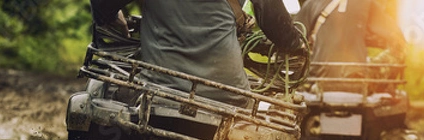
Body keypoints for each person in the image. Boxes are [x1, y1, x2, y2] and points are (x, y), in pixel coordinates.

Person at [90, 0, 304, 106]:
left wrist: (112, 16)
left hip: (158, 91)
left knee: (97, 92)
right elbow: (277, 26)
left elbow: (102, 6)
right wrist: (296, 44)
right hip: (229, 95)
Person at [294, 0, 406, 91]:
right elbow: (398, 40)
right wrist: (375, 65)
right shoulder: (366, 3)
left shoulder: (311, 3)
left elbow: (293, 44)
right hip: (357, 81)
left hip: (315, 81)